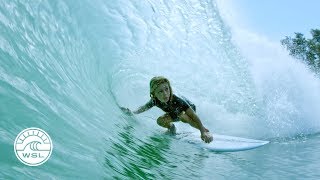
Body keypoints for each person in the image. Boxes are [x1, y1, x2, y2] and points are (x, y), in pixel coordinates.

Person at [121, 76, 213, 143]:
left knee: (183, 117)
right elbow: (144, 108)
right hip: (175, 113)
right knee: (160, 121)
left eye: (166, 89)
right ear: (154, 94)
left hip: (189, 109)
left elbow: (193, 115)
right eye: (160, 91)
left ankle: (205, 131)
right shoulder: (155, 101)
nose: (165, 94)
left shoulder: (176, 99)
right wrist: (133, 112)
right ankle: (171, 128)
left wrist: (202, 132)